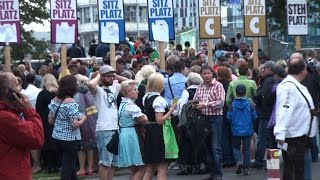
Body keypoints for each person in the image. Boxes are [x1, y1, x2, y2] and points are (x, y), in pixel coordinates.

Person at [274, 53, 318, 180]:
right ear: (303, 70)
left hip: (299, 137)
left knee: (295, 172)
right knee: (294, 173)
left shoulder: (293, 85)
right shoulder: (289, 87)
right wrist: (280, 133)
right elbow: (284, 109)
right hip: (294, 138)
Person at [0, 72, 44, 179]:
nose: (20, 88)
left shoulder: (6, 114)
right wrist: (29, 110)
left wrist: (16, 110)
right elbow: (36, 138)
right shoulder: (6, 118)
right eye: (16, 85)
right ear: (7, 92)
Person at [87, 65, 127, 180]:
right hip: (104, 129)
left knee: (113, 163)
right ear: (102, 77)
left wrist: (116, 76)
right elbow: (90, 84)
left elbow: (132, 82)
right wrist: (99, 75)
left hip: (115, 128)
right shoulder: (98, 90)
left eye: (111, 76)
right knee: (105, 162)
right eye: (108, 76)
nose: (110, 78)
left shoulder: (115, 87)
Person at [48, 75, 87, 180]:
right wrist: (83, 118)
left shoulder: (55, 100)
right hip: (69, 140)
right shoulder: (70, 102)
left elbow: (50, 121)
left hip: (56, 137)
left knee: (70, 168)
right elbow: (75, 124)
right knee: (66, 171)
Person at [142, 73, 178, 180]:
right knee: (162, 169)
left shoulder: (146, 97)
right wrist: (171, 109)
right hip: (160, 133)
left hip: (150, 131)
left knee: (150, 169)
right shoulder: (159, 100)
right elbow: (160, 121)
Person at [193, 65, 225, 180]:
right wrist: (194, 105)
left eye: (208, 73)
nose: (206, 76)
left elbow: (221, 102)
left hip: (215, 118)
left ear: (212, 74)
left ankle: (218, 174)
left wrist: (205, 104)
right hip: (203, 119)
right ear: (201, 75)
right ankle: (212, 172)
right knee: (207, 147)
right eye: (204, 73)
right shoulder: (199, 87)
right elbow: (196, 100)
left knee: (215, 146)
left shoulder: (218, 85)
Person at [118, 80, 148, 179]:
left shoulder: (123, 103)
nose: (137, 91)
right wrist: (145, 116)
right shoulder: (130, 106)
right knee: (142, 167)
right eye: (135, 90)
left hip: (125, 133)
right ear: (128, 92)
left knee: (134, 168)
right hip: (131, 135)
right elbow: (144, 120)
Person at [227, 84, 257, 176]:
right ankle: (246, 169)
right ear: (245, 92)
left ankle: (238, 162)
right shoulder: (250, 104)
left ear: (235, 93)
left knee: (235, 147)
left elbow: (229, 117)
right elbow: (254, 117)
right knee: (246, 149)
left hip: (235, 129)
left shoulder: (232, 104)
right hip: (247, 129)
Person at [74, 74, 98, 176]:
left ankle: (82, 168)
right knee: (90, 146)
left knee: (82, 146)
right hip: (92, 120)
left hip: (83, 121)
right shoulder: (89, 92)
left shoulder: (78, 94)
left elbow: (79, 109)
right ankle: (90, 167)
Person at [36, 74, 60, 173]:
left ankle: (50, 166)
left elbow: (38, 109)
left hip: (46, 121)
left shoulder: (42, 94)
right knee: (57, 142)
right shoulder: (58, 94)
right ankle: (57, 164)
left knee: (48, 143)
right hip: (58, 121)